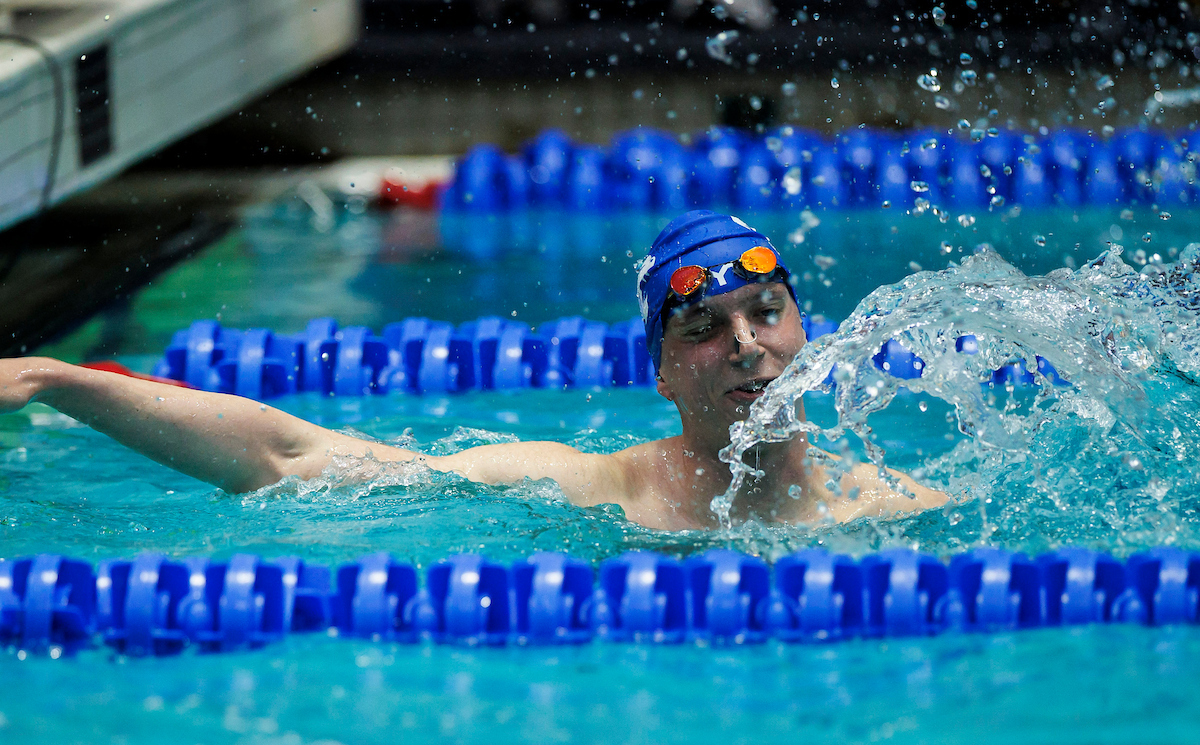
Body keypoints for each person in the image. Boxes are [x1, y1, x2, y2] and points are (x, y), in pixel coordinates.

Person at [0, 211, 946, 530]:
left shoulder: (901, 505)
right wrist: (55, 380)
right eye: (704, 327)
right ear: (659, 371)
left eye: (767, 312)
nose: (746, 345)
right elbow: (299, 461)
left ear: (805, 328)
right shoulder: (597, 492)